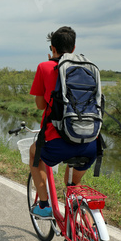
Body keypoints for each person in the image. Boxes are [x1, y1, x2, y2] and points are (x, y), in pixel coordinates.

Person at [29, 26, 98, 217]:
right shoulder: (88, 68)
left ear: (52, 48)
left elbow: (41, 106)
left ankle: (44, 206)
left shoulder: (45, 66)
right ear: (74, 48)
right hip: (90, 141)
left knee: (34, 154)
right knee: (73, 186)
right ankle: (82, 225)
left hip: (58, 141)